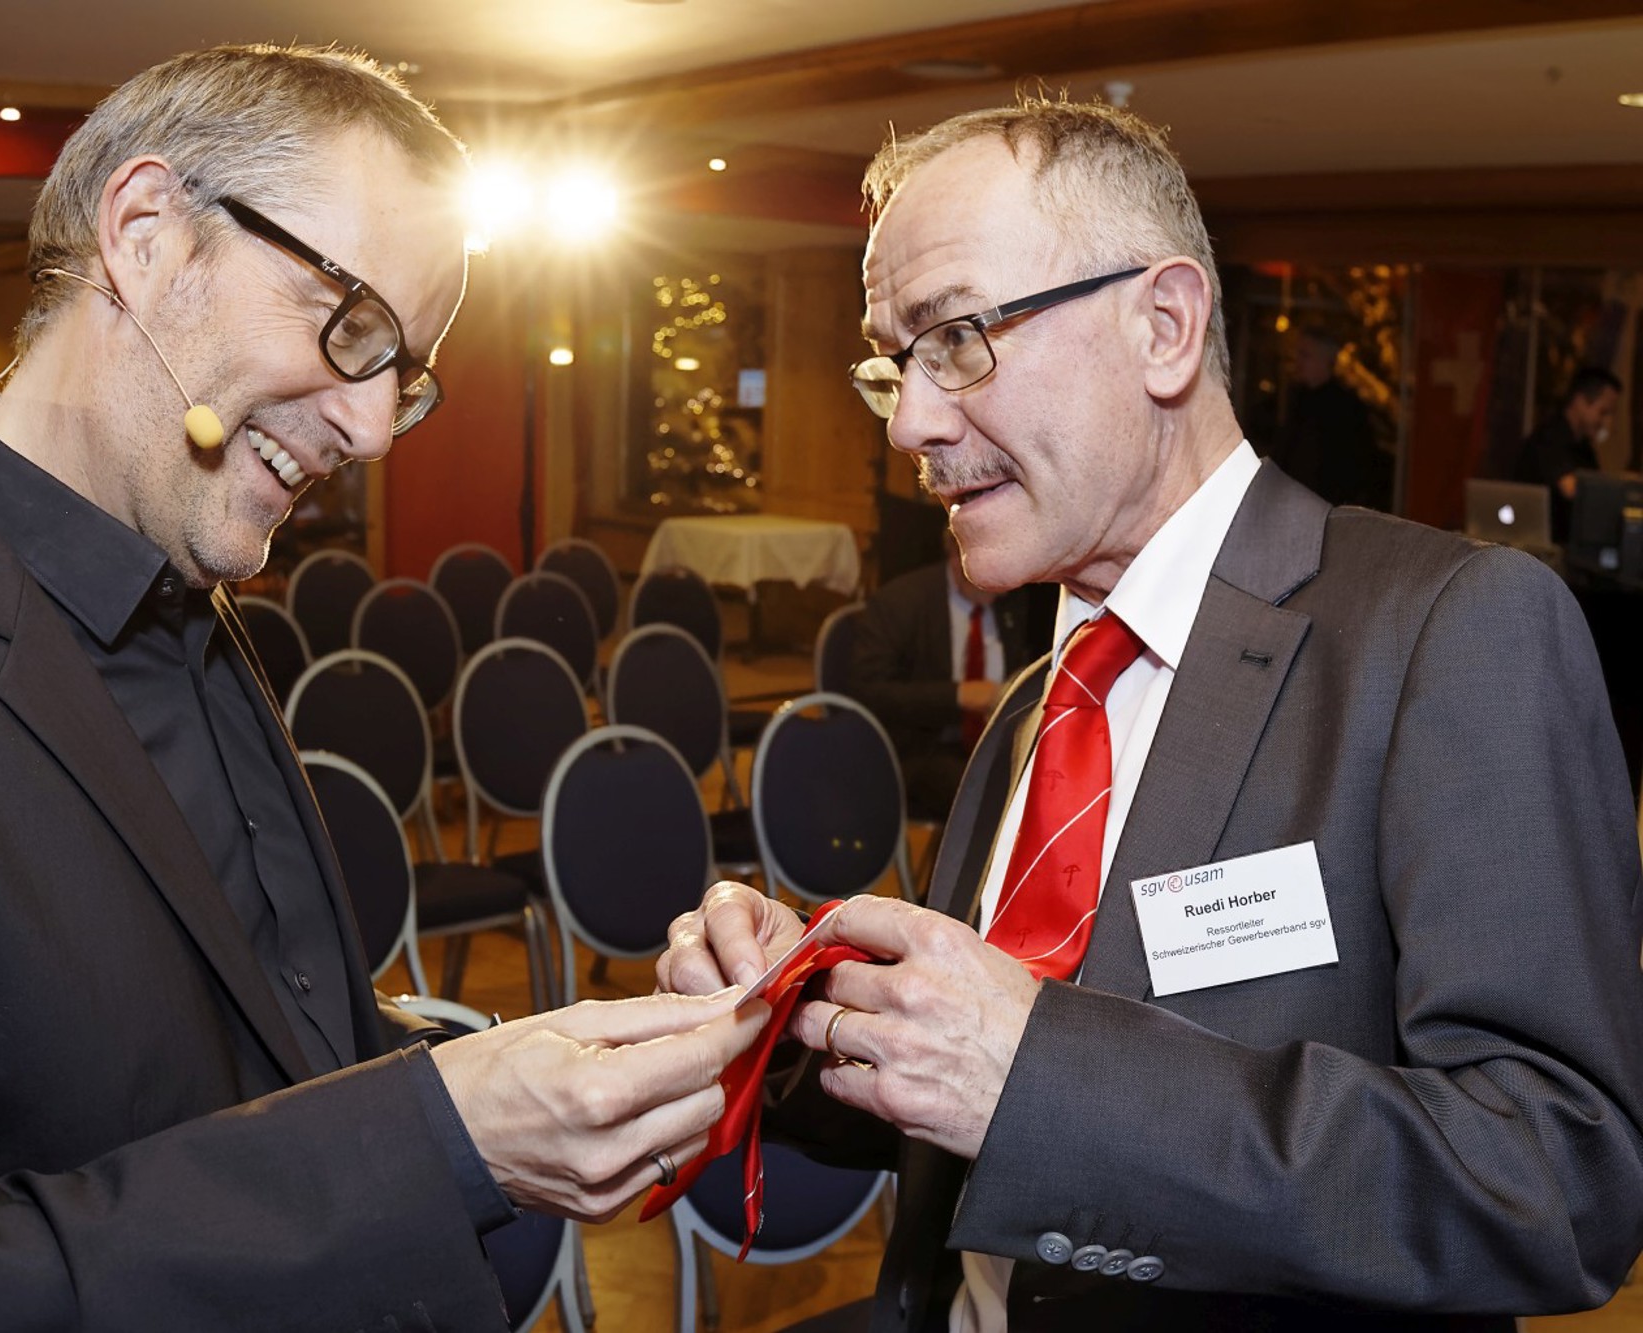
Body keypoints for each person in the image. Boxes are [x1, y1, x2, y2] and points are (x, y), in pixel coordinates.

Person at [0, 44, 764, 1333]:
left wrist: (560, 1070)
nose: (375, 429)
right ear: (145, 236)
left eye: (404, 373)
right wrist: (433, 1140)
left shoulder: (190, 592)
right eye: (350, 327)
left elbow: (268, 1062)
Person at [661, 95, 1643, 1332]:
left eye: (955, 338)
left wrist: (1038, 1074)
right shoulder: (1041, 698)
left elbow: (1554, 1179)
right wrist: (790, 1014)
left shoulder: (1447, 632)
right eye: (890, 364)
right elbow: (964, 1105)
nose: (908, 421)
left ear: (1163, 327)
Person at [849, 546, 1055, 821]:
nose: (1006, 588)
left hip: (996, 740)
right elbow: (868, 691)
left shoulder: (1011, 599)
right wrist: (958, 695)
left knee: (1053, 782)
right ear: (960, 558)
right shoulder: (900, 602)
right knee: (995, 798)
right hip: (923, 746)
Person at [1268, 326, 1389, 510]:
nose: (1297, 361)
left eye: (1305, 355)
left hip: (1324, 507)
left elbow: (1357, 466)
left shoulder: (1347, 409)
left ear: (1324, 361)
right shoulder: (1295, 399)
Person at [1514, 365, 1622, 545]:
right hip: (1537, 548)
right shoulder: (1550, 438)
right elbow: (1572, 489)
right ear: (1580, 402)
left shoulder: (1584, 448)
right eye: (1603, 412)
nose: (1606, 423)